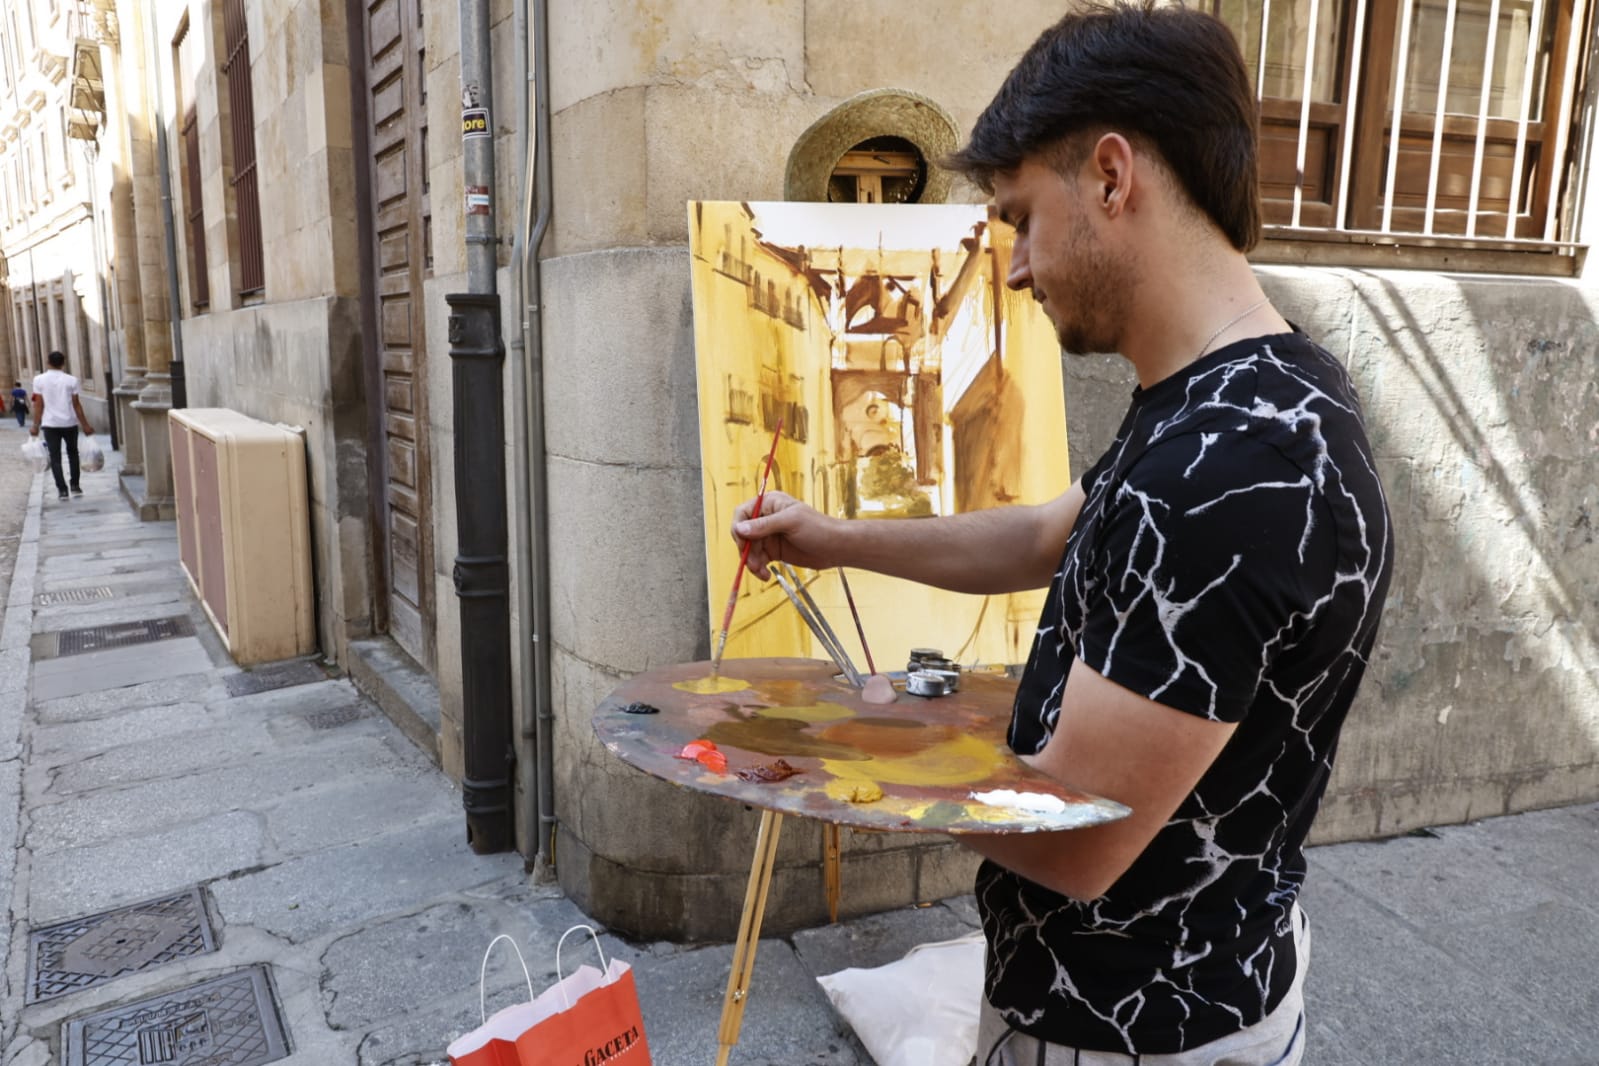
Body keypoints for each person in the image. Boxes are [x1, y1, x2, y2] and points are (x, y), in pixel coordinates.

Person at [731, 5, 1394, 1064]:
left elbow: (1077, 840)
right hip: (1190, 983)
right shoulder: (1247, 391)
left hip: (1130, 1026)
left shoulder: (1227, 474)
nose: (1018, 267)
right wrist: (835, 538)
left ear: (1114, 177)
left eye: (1022, 218)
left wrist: (854, 740)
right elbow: (1054, 532)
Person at [31, 351, 95, 501]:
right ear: (63, 363)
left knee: (55, 457)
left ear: (48, 362)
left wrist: (35, 424)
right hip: (69, 423)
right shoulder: (71, 380)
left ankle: (62, 490)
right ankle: (75, 486)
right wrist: (85, 425)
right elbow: (76, 405)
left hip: (50, 424)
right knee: (73, 454)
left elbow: (38, 404)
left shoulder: (39, 380)